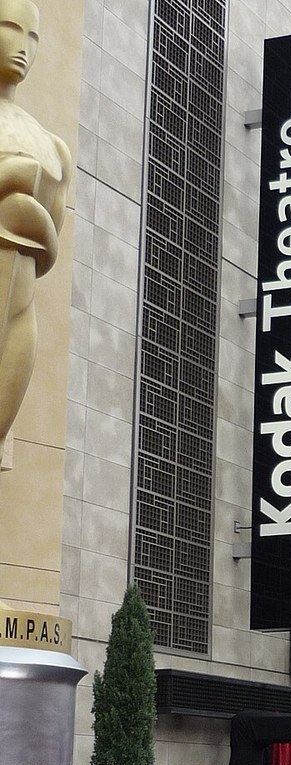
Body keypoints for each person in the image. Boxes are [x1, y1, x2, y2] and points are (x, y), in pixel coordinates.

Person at [0, 0, 72, 449]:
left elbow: (51, 244)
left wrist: (24, 211)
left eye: (34, 37)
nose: (23, 47)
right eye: (11, 28)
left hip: (21, 304)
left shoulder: (51, 144)